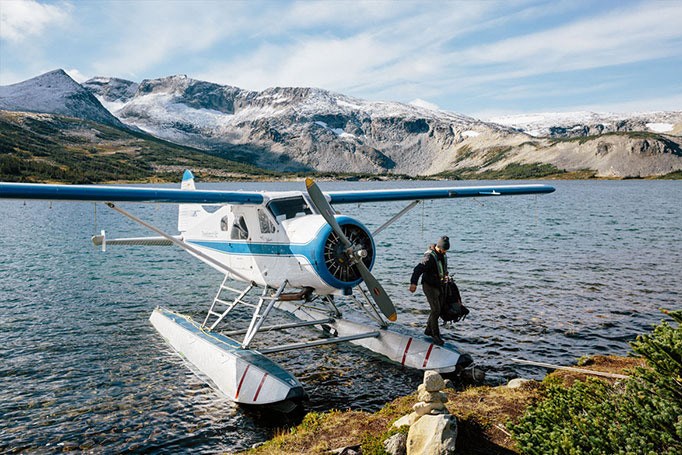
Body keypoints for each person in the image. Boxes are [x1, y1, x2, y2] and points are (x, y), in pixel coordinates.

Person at [409, 236, 450, 346]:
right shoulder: (429, 257)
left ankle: (428, 329)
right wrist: (413, 283)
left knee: (439, 309)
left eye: (446, 250)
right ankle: (435, 335)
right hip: (429, 286)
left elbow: (442, 268)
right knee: (435, 310)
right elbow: (418, 269)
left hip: (439, 285)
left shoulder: (442, 255)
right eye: (444, 250)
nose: (445, 252)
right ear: (439, 247)